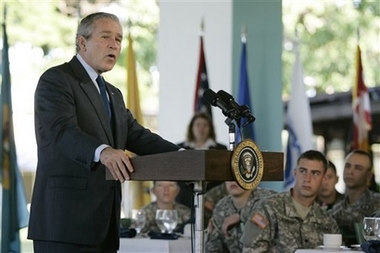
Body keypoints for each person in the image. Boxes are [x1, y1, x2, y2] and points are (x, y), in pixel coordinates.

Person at [27, 12, 180, 253]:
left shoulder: (113, 93)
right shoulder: (56, 80)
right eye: (106, 36)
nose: (114, 45)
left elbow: (138, 136)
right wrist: (103, 152)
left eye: (118, 39)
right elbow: (61, 132)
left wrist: (184, 155)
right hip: (64, 225)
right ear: (82, 42)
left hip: (104, 226)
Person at [241, 150, 340, 252]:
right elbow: (251, 250)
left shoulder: (327, 222)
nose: (307, 179)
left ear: (323, 179)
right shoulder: (267, 208)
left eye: (315, 173)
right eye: (303, 171)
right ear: (295, 173)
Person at [176, 112, 227, 221]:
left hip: (213, 201)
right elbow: (177, 176)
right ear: (192, 127)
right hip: (186, 200)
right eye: (198, 125)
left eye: (205, 125)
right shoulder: (180, 148)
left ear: (210, 128)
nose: (201, 128)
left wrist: (208, 198)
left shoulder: (220, 149)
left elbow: (223, 177)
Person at [328, 149, 380, 246]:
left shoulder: (377, 204)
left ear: (368, 176)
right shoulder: (337, 208)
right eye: (347, 166)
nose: (350, 171)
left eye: (358, 168)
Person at [205, 181, 275, 253]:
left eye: (238, 175)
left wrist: (242, 216)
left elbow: (266, 222)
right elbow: (214, 248)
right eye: (230, 176)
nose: (233, 181)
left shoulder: (268, 198)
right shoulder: (221, 208)